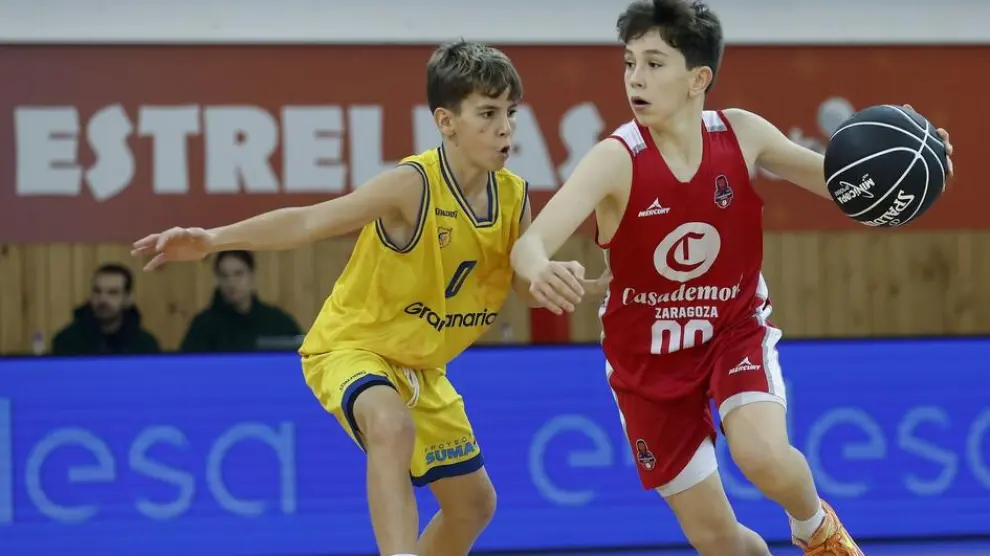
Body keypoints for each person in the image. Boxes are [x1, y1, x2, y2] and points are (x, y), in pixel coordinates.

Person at [509, 1, 954, 555]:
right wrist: (541, 269)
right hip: (647, 361)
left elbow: (841, 183)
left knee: (762, 455)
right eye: (629, 63)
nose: (635, 79)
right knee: (720, 542)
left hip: (732, 330)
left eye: (653, 63)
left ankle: (815, 527)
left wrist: (915, 156)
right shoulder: (615, 159)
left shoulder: (742, 135)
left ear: (699, 79)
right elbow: (529, 245)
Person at [132, 40, 605, 556]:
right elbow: (311, 220)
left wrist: (579, 285)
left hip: (422, 367)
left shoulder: (513, 195)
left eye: (510, 113)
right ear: (446, 121)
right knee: (389, 422)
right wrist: (213, 239)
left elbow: (521, 288)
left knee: (474, 505)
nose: (505, 127)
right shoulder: (412, 186)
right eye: (488, 113)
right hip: (351, 347)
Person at [180, 250, 303, 353]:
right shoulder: (203, 326)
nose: (231, 283)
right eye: (224, 275)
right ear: (217, 280)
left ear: (251, 276)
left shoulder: (277, 321)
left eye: (238, 274)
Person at [52, 263, 161, 355]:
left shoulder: (145, 345)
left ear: (128, 298)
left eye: (113, 292)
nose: (103, 299)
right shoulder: (66, 342)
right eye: (97, 291)